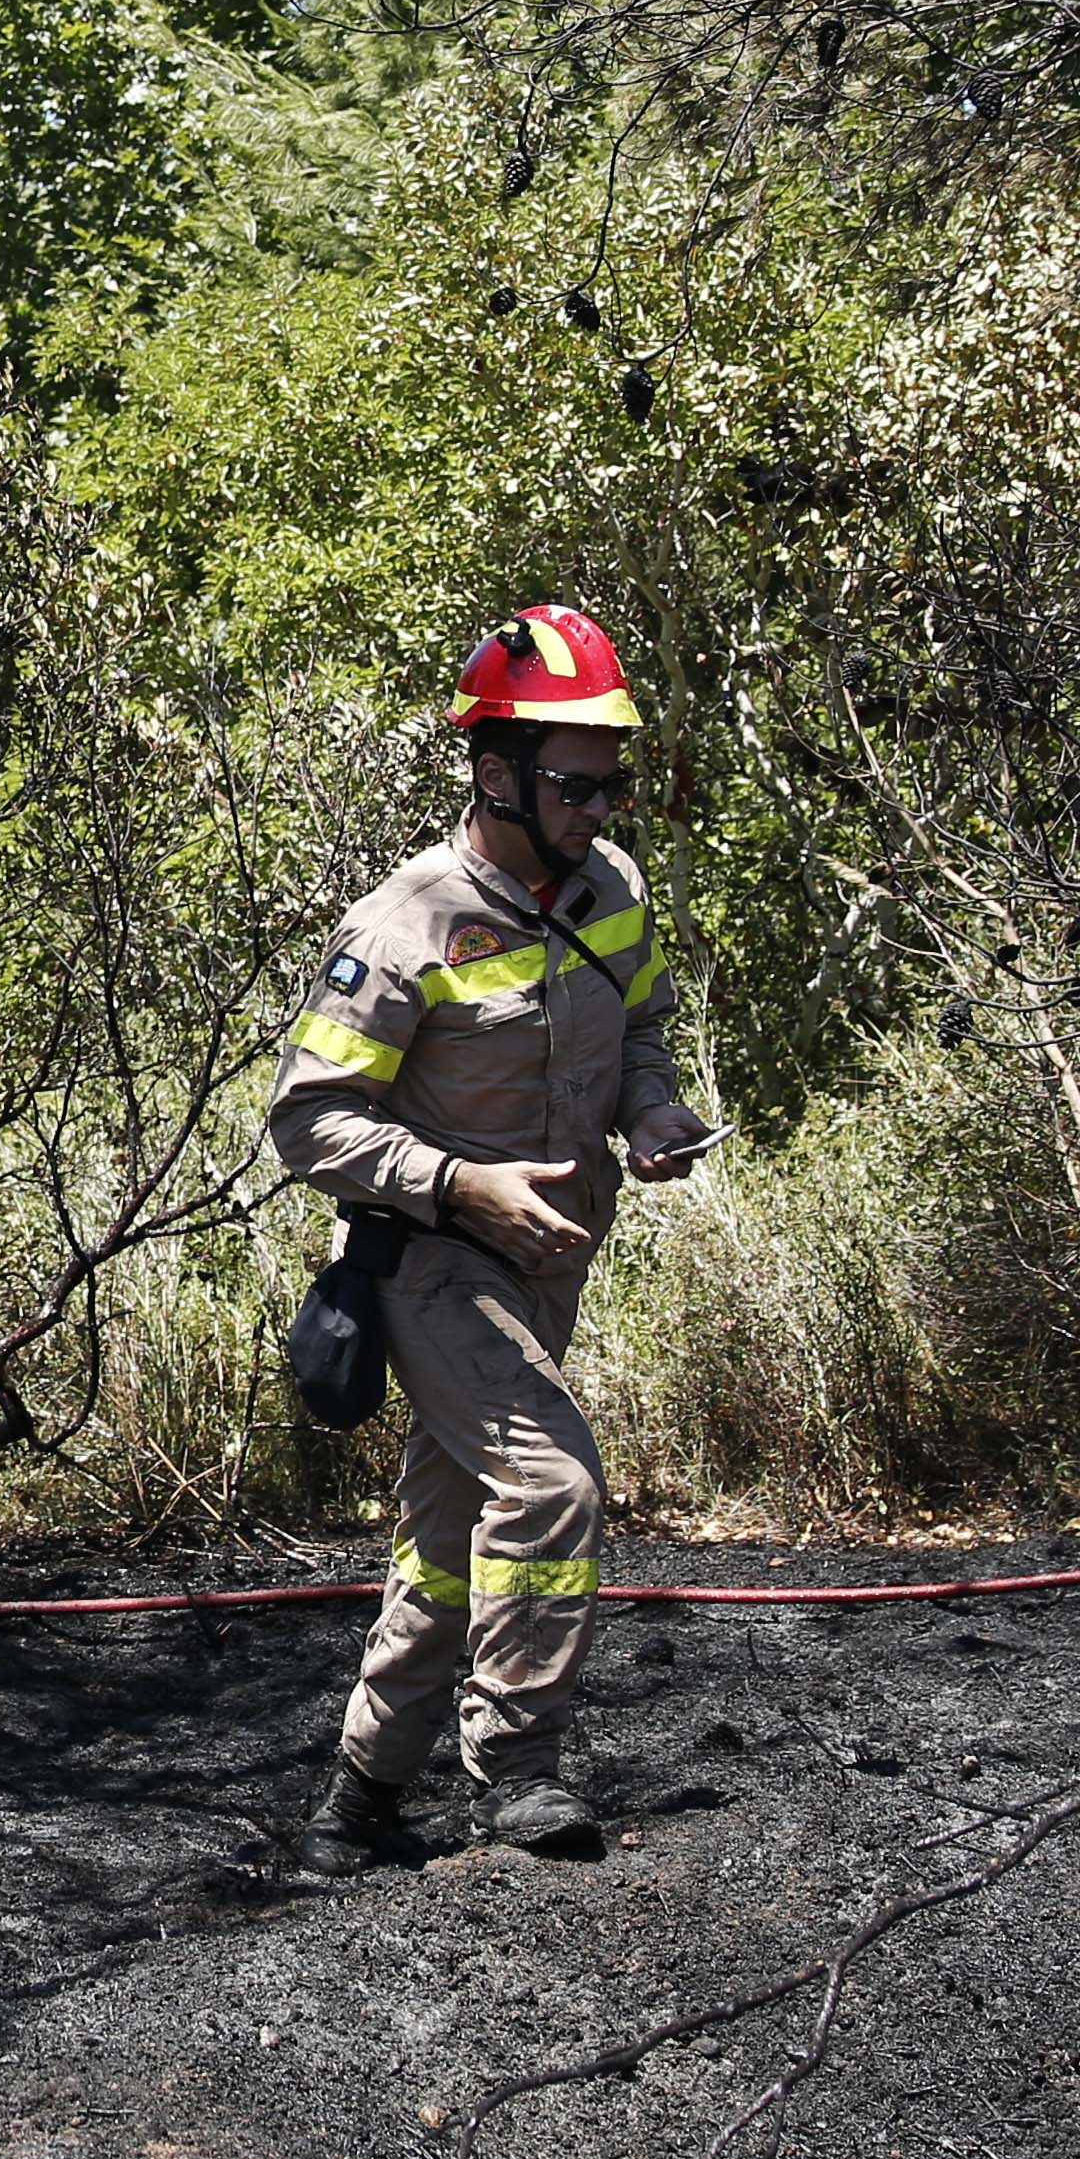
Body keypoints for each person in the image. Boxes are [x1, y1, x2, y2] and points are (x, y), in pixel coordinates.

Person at [267, 604, 714, 1870]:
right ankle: (517, 1771)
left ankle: (361, 1794)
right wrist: (461, 1184)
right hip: (433, 1262)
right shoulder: (406, 926)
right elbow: (307, 1122)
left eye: (611, 785)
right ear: (495, 771)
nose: (598, 811)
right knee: (551, 1486)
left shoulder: (608, 887)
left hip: (553, 1264)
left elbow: (639, 1029)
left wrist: (656, 1109)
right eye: (575, 786)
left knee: (449, 1534)